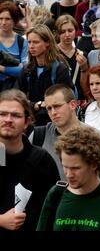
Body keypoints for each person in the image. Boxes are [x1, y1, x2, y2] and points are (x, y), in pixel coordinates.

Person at [29, 84, 100, 191]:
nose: (53, 112)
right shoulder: (38, 136)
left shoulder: (94, 137)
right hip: (47, 204)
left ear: (73, 105)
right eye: (49, 108)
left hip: (85, 204)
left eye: (57, 106)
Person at [0, 89, 59, 231]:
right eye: (2, 114)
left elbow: (53, 208)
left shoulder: (41, 160)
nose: (8, 119)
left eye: (15, 115)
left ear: (26, 122)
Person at [18, 24, 73, 126]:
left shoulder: (60, 69)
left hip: (55, 123)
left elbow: (64, 100)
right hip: (33, 124)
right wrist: (38, 105)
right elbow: (20, 100)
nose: (31, 46)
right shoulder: (26, 70)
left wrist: (34, 106)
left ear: (47, 43)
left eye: (36, 42)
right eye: (29, 42)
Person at [55, 15, 88, 102]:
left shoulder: (82, 54)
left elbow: (85, 85)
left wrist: (84, 68)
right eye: (63, 31)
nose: (67, 35)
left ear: (76, 31)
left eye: (70, 31)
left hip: (78, 100)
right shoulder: (52, 53)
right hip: (59, 99)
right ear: (58, 33)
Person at [0, 2, 28, 92]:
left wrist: (2, 68)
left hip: (14, 89)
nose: (3, 22)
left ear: (15, 21)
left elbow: (23, 70)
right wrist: (13, 70)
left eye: (7, 19)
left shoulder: (21, 41)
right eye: (1, 18)